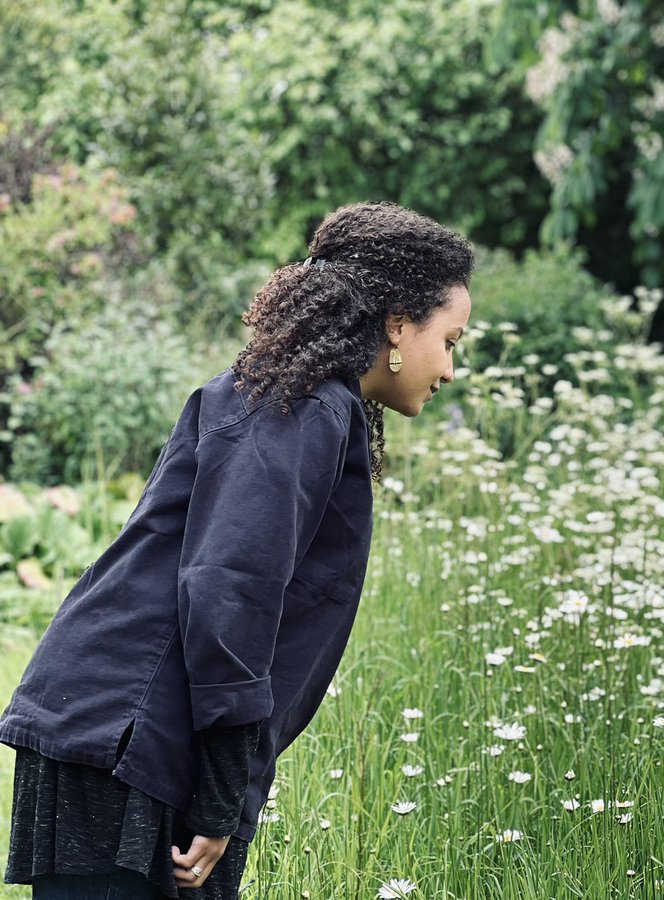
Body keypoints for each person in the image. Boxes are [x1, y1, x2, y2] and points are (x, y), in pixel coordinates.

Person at [0, 202, 474, 898]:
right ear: (399, 321)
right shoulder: (302, 405)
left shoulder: (302, 399)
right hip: (127, 742)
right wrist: (223, 795)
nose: (451, 370)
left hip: (124, 734)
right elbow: (230, 589)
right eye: (453, 340)